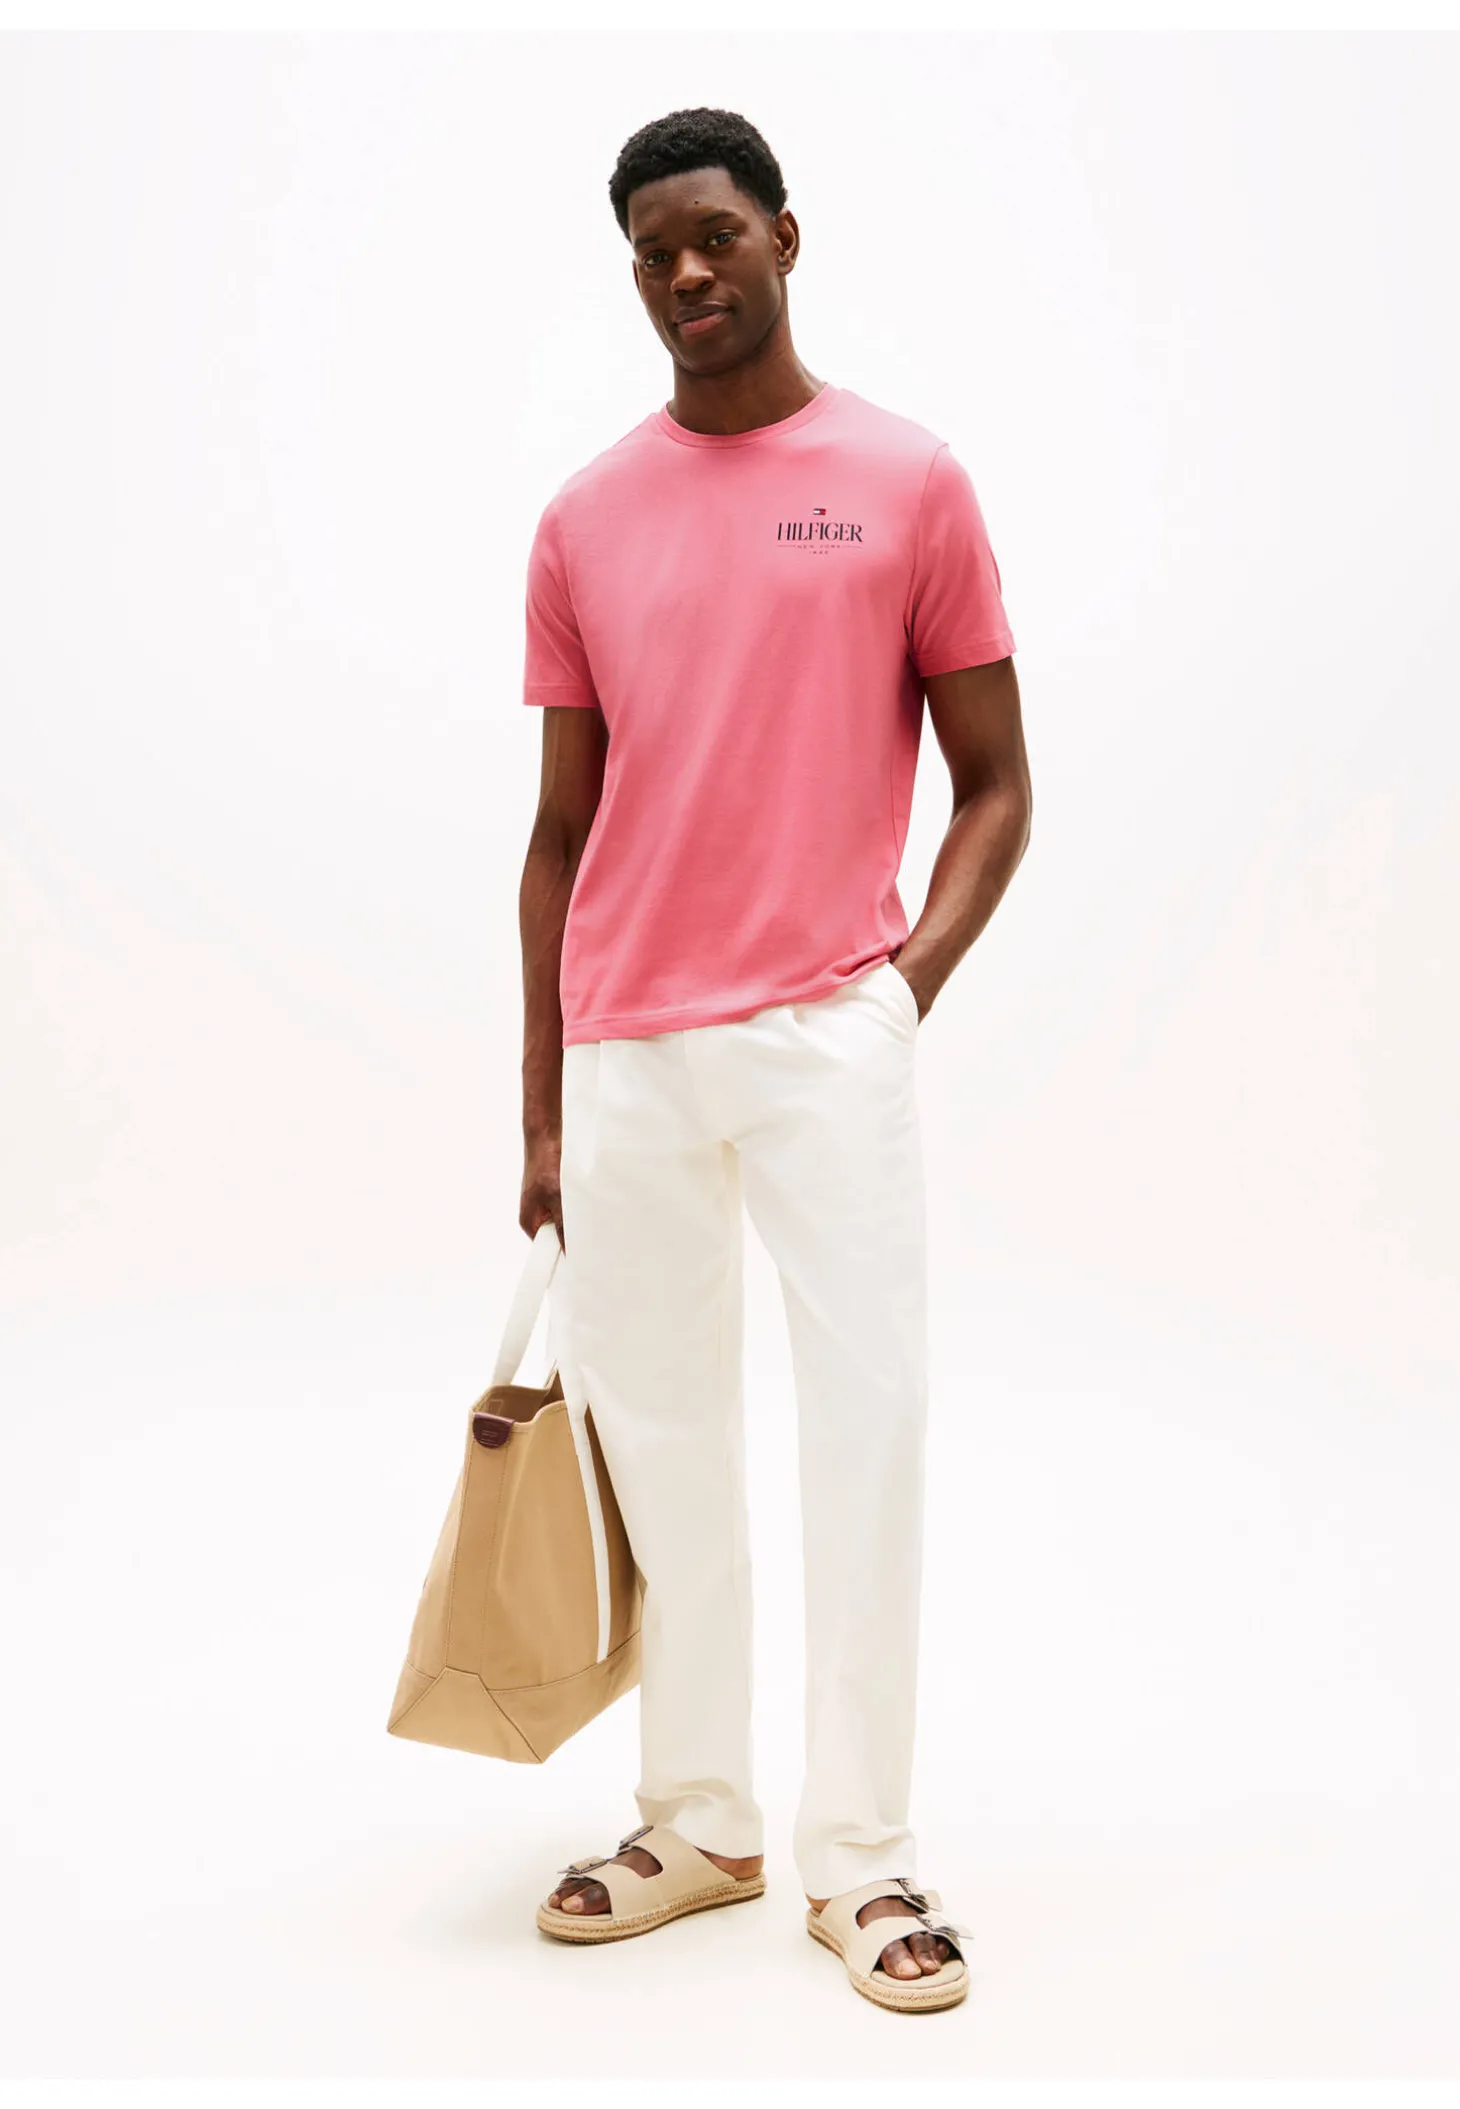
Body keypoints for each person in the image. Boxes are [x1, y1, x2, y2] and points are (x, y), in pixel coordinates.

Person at [516, 105, 1031, 2014]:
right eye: (653, 252)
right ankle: (702, 1821)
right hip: (630, 1048)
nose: (685, 273)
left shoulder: (907, 482)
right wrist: (543, 1098)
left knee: (868, 1429)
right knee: (662, 1441)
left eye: (714, 236)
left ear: (784, 238)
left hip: (828, 1034)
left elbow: (998, 784)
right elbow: (558, 832)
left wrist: (900, 989)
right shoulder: (584, 516)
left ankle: (862, 1858)